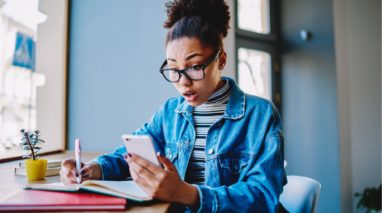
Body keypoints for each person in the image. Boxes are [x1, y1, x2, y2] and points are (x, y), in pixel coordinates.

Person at [60, 0, 287, 212]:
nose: (183, 81)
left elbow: (263, 195)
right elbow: (130, 156)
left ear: (221, 60)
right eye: (173, 70)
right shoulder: (170, 113)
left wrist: (187, 194)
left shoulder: (260, 115)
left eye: (194, 67)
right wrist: (92, 169)